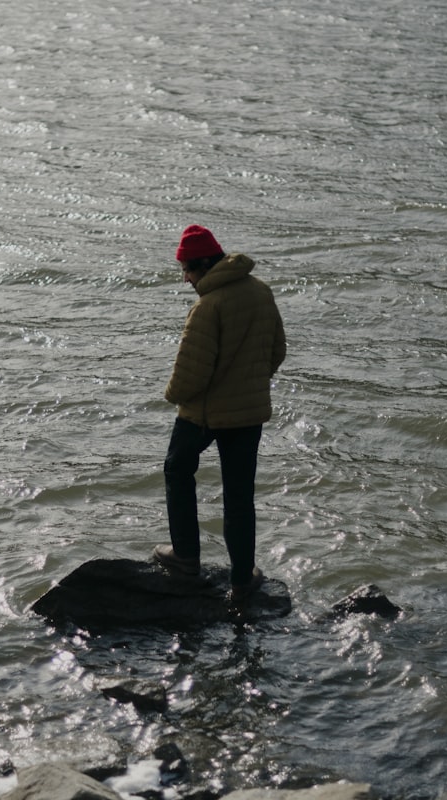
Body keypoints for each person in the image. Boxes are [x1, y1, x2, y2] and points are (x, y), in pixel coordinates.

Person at [153, 224, 287, 601]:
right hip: (249, 412)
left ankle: (185, 558)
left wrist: (171, 395)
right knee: (239, 495)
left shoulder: (207, 307)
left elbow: (189, 377)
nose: (185, 279)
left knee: (177, 470)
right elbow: (276, 351)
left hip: (204, 413)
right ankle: (243, 579)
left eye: (188, 271)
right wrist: (246, 384)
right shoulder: (261, 292)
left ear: (204, 265)